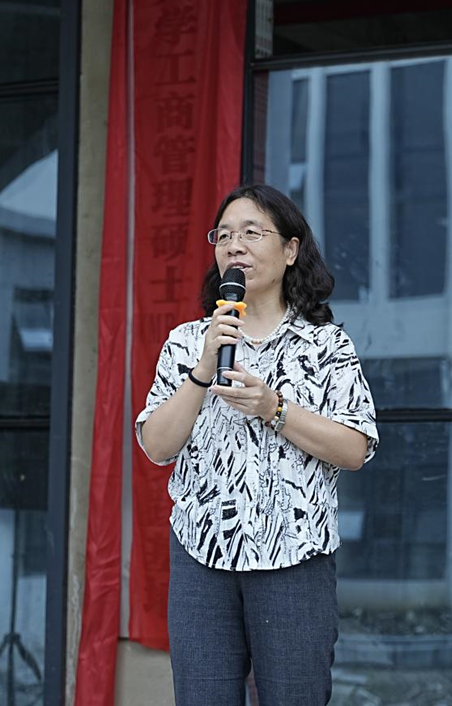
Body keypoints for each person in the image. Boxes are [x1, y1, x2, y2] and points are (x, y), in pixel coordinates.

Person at [136, 184, 378, 706]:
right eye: (224, 235)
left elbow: (355, 448)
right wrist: (203, 369)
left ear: (290, 250)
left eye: (251, 232)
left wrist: (275, 408)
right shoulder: (188, 342)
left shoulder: (326, 345)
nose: (234, 245)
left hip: (294, 556)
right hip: (202, 556)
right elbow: (156, 446)